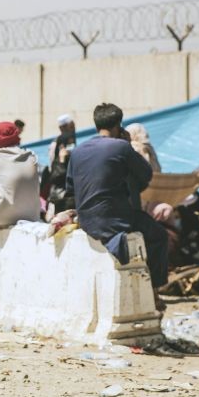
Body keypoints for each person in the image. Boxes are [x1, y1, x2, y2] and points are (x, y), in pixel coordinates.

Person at [66, 103, 168, 306]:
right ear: (118, 125)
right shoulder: (121, 146)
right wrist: (128, 145)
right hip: (115, 219)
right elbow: (146, 174)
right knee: (159, 236)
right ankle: (155, 291)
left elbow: (70, 187)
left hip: (86, 220)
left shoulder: (77, 151)